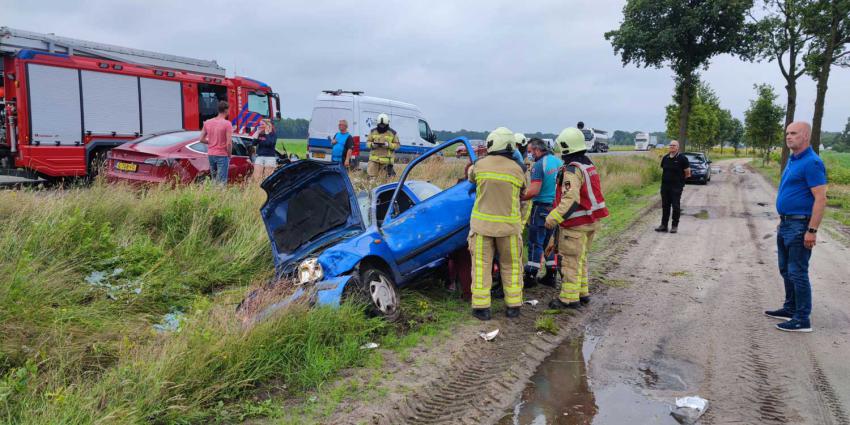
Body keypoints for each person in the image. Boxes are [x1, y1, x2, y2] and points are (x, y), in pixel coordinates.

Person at [764, 121, 827, 333]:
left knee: (797, 271)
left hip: (801, 225)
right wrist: (783, 218)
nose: (788, 136)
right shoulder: (793, 159)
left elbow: (820, 199)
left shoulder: (812, 163)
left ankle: (802, 319)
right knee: (785, 269)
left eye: (794, 133)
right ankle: (790, 308)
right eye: (787, 133)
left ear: (806, 136)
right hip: (787, 222)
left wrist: (812, 230)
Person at [545, 127, 609, 309]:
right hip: (590, 222)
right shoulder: (588, 165)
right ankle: (582, 292)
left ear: (566, 147)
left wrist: (553, 218)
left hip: (576, 224)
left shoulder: (572, 170)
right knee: (581, 258)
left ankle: (568, 298)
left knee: (569, 261)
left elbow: (570, 199)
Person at [468, 127, 527, 321]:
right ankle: (513, 306)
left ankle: (482, 308)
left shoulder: (479, 165)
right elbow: (524, 192)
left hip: (482, 227)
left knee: (481, 266)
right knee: (511, 265)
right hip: (509, 228)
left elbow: (470, 177)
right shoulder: (518, 169)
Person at [521, 138, 563, 288]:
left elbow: (534, 190)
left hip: (540, 208)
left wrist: (518, 196)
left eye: (530, 151)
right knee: (549, 242)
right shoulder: (558, 162)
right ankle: (551, 274)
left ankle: (531, 275)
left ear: (538, 150)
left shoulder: (538, 166)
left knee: (535, 242)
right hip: (556, 208)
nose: (529, 154)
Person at [655, 140, 691, 233]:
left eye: (674, 145)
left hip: (676, 187)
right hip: (665, 187)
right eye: (670, 145)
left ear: (678, 147)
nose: (671, 147)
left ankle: (674, 226)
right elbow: (664, 169)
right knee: (665, 206)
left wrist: (680, 182)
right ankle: (664, 225)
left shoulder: (682, 158)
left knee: (675, 206)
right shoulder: (665, 158)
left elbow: (687, 173)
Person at [199, 101, 233, 184]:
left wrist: (211, 142)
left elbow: (201, 139)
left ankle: (214, 195)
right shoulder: (227, 124)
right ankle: (220, 196)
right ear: (226, 110)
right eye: (229, 110)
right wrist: (229, 154)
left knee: (214, 179)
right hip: (222, 154)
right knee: (222, 181)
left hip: (211, 154)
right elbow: (229, 143)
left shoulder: (207, 122)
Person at [366, 113, 399, 178]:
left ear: (387, 124)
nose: (382, 126)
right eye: (380, 125)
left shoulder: (392, 133)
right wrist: (372, 145)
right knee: (371, 179)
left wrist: (389, 145)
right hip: (374, 161)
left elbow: (397, 145)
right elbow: (367, 142)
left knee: (383, 181)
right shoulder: (372, 131)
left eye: (383, 125)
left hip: (386, 162)